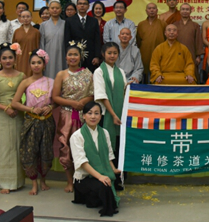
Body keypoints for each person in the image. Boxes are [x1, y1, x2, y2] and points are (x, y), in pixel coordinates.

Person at [11, 49, 56, 196]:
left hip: (47, 122)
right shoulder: (25, 82)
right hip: (30, 121)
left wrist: (50, 107)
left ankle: (43, 180)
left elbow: (56, 101)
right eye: (33, 63)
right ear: (30, 65)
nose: (36, 65)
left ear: (44, 64)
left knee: (45, 151)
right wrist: (30, 109)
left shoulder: (51, 82)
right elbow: (15, 103)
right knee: (29, 152)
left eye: (39, 62)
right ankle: (34, 183)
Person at [0, 42, 26, 194]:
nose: (7, 61)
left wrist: (18, 106)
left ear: (15, 59)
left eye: (10, 58)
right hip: (1, 115)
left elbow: (26, 96)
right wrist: (5, 108)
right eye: (4, 58)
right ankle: (5, 183)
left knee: (17, 146)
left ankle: (19, 181)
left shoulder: (22, 76)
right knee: (3, 148)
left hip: (18, 114)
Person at [53, 44, 94, 193]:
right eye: (70, 54)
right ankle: (70, 181)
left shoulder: (88, 73)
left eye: (75, 54)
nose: (72, 57)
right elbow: (55, 97)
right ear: (66, 57)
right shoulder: (61, 74)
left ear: (80, 57)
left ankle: (85, 180)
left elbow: (92, 93)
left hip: (85, 116)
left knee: (85, 148)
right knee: (67, 148)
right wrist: (72, 103)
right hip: (67, 115)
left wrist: (83, 102)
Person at [70, 101, 120, 216]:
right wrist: (100, 176)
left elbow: (109, 155)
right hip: (84, 178)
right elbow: (82, 162)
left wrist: (113, 169)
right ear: (83, 116)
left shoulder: (104, 133)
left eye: (96, 113)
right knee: (104, 185)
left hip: (101, 173)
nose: (93, 116)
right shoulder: (77, 136)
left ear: (101, 116)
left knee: (108, 182)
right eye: (89, 113)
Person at [94, 42, 127, 191]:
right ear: (103, 54)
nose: (112, 55)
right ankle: (108, 178)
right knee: (108, 147)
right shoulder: (99, 72)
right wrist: (113, 114)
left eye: (115, 53)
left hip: (121, 116)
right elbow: (101, 95)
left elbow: (125, 93)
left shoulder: (121, 72)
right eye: (109, 53)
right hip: (106, 116)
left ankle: (119, 178)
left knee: (120, 147)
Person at [64, 0, 101, 72]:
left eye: (84, 4)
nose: (82, 6)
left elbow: (97, 40)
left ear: (88, 6)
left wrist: (97, 56)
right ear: (77, 6)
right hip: (75, 56)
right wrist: (69, 55)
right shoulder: (69, 21)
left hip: (91, 57)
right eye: (80, 4)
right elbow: (67, 39)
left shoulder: (94, 21)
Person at [137, 2, 166, 74]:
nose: (151, 10)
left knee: (158, 71)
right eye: (149, 8)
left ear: (157, 10)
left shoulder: (163, 23)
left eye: (153, 8)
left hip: (159, 52)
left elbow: (166, 39)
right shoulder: (141, 24)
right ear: (146, 11)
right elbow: (138, 41)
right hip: (144, 52)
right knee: (144, 72)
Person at [39, 0, 65, 79]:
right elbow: (41, 43)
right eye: (52, 8)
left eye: (57, 8)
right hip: (48, 55)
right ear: (49, 10)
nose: (55, 10)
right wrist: (42, 57)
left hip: (62, 54)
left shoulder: (65, 23)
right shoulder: (43, 25)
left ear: (60, 10)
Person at [173, 3, 204, 69]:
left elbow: (198, 40)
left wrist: (198, 56)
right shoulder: (175, 25)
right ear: (180, 11)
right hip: (176, 52)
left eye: (187, 9)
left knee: (191, 71)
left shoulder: (195, 25)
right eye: (183, 9)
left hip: (191, 52)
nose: (185, 11)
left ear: (190, 11)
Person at [12, 10, 41, 77]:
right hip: (20, 58)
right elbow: (13, 46)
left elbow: (38, 46)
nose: (25, 19)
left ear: (31, 18)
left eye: (28, 16)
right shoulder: (17, 31)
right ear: (20, 18)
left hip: (32, 57)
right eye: (23, 17)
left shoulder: (36, 32)